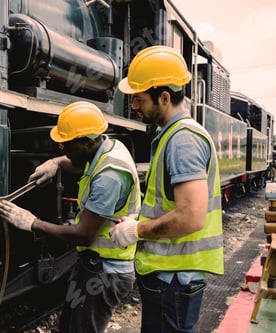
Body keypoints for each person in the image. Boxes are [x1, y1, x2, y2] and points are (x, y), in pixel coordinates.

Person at [0, 101, 141, 333]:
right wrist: (55, 163)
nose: (62, 149)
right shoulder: (108, 147)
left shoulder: (110, 176)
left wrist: (32, 223)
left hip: (105, 274)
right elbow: (84, 165)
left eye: (68, 145)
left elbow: (83, 235)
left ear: (88, 142)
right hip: (92, 266)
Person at [110, 45, 224, 333]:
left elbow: (191, 217)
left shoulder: (183, 140)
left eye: (139, 98)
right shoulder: (173, 136)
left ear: (164, 97)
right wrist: (138, 222)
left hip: (173, 280)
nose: (134, 106)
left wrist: (136, 231)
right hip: (172, 279)